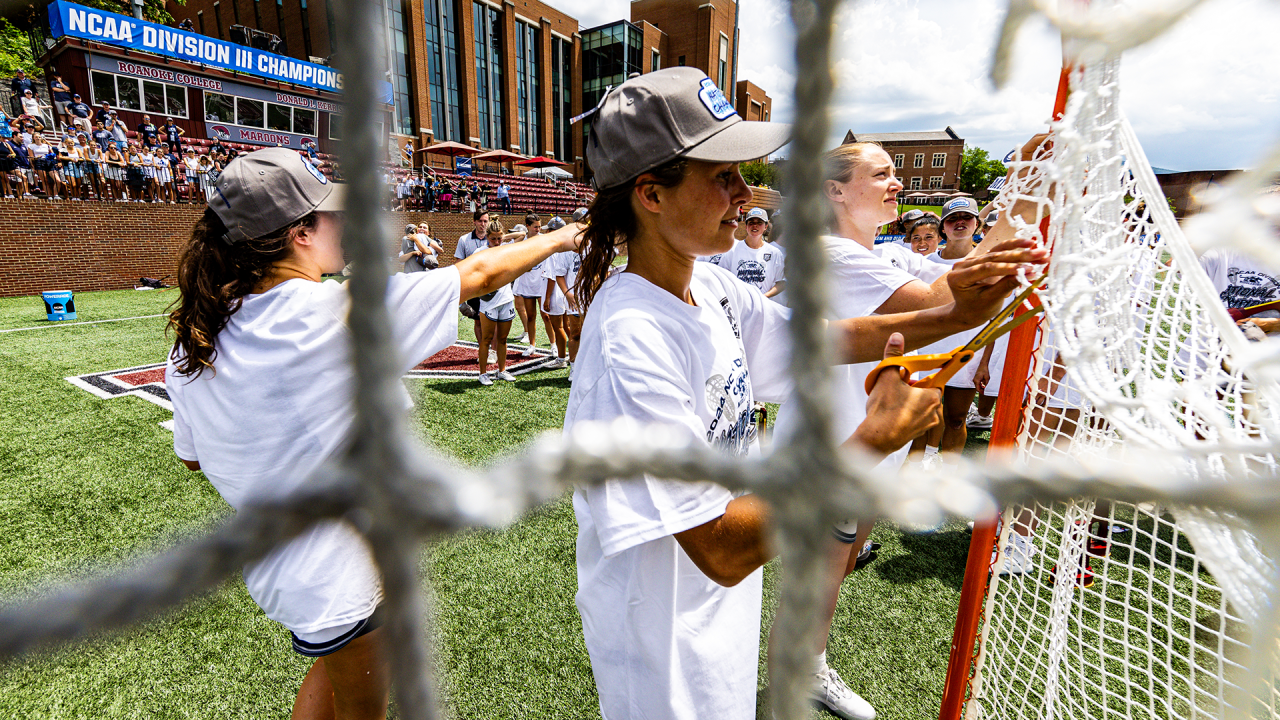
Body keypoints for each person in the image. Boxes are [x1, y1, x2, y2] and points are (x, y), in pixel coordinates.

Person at [564, 68, 1039, 720]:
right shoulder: (630, 339)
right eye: (723, 176)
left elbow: (824, 339)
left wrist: (952, 315)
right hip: (664, 641)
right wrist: (873, 438)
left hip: (714, 616)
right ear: (651, 194)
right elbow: (722, 548)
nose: (746, 192)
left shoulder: (710, 288)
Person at [165, 147, 581, 720]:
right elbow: (479, 273)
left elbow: (192, 460)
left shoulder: (195, 338)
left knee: (330, 672)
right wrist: (565, 237)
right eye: (328, 213)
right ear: (299, 235)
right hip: (339, 571)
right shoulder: (330, 314)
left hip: (281, 561)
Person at [772, 137, 1049, 718]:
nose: (897, 182)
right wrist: (1022, 195)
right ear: (836, 191)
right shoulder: (826, 252)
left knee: (840, 564)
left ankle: (805, 660)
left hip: (877, 442)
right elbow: (936, 297)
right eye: (882, 173)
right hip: (834, 443)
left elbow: (953, 277)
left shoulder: (885, 254)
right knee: (820, 573)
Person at [473, 220, 528, 384]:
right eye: (493, 239)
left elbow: (522, 234)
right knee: (486, 339)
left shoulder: (505, 247)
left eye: (499, 238)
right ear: (487, 238)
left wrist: (504, 237)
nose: (497, 242)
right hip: (489, 302)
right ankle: (483, 374)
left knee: (503, 339)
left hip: (506, 299)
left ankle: (501, 370)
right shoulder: (480, 252)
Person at [713, 206, 787, 298]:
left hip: (763, 306)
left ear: (766, 226)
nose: (755, 225)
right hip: (738, 305)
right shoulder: (732, 249)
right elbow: (720, 277)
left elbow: (781, 282)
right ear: (746, 226)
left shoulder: (775, 253)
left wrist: (763, 297)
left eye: (759, 223)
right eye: (751, 223)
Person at [543, 229, 584, 377]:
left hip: (592, 298)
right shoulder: (565, 252)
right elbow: (559, 275)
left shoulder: (594, 248)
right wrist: (568, 294)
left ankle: (589, 367)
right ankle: (573, 367)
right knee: (575, 334)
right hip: (574, 299)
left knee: (592, 334)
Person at [512, 214, 551, 354]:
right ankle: (532, 345)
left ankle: (553, 345)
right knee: (531, 316)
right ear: (527, 226)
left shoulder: (543, 240)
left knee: (546, 316)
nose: (538, 229)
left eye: (539, 226)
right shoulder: (522, 241)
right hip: (527, 284)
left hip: (541, 282)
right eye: (535, 227)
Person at [456, 210, 491, 353]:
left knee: (491, 320)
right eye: (480, 221)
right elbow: (459, 263)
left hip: (491, 285)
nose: (483, 224)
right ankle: (483, 349)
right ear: (474, 222)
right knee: (478, 319)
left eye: (485, 221)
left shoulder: (493, 238)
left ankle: (492, 351)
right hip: (473, 286)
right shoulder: (464, 239)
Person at [540, 214, 570, 369]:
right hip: (564, 290)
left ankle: (561, 359)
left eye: (549, 230)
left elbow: (552, 277)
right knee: (567, 326)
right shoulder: (566, 247)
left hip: (555, 292)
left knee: (558, 327)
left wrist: (546, 298)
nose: (546, 233)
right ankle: (575, 354)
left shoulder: (554, 250)